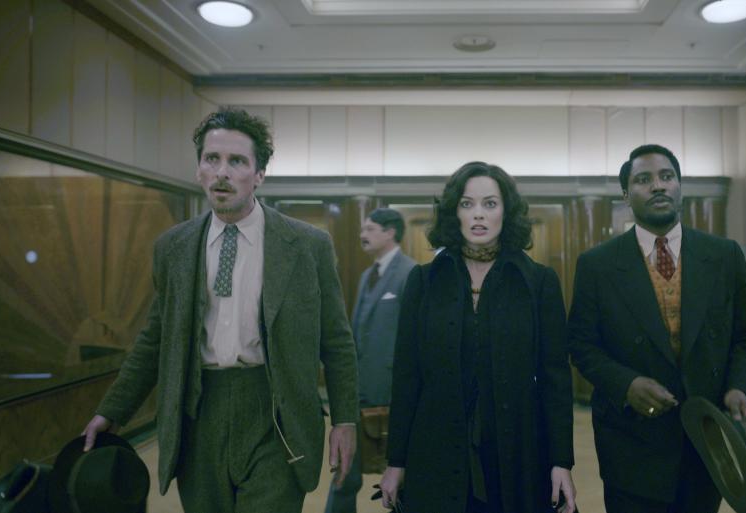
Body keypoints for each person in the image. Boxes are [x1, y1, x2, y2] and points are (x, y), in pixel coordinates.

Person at [80, 107, 359, 513]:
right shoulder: (173, 248)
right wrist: (112, 410)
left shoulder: (306, 246)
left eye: (237, 161)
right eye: (212, 159)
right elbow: (155, 338)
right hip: (198, 413)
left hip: (276, 414)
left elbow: (336, 340)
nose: (222, 172)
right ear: (199, 170)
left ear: (259, 175)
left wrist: (345, 419)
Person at [567, 144, 746, 513]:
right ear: (626, 195)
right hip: (631, 443)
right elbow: (581, 344)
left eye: (666, 176)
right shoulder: (597, 265)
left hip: (706, 440)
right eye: (643, 180)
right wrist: (625, 384)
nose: (658, 186)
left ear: (680, 187)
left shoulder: (724, 256)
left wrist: (740, 386)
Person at [379, 162, 577, 513]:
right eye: (467, 204)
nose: (478, 215)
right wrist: (396, 461)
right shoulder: (424, 281)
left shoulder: (539, 282)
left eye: (490, 204)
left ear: (506, 212)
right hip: (436, 446)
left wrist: (562, 461)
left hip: (517, 447)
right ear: (454, 213)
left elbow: (555, 380)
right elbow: (407, 377)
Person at [325, 208, 415, 513]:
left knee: (402, 479)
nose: (363, 234)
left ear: (390, 233)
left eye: (370, 229)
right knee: (343, 475)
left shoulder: (410, 273)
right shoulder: (367, 275)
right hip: (359, 396)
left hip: (394, 396)